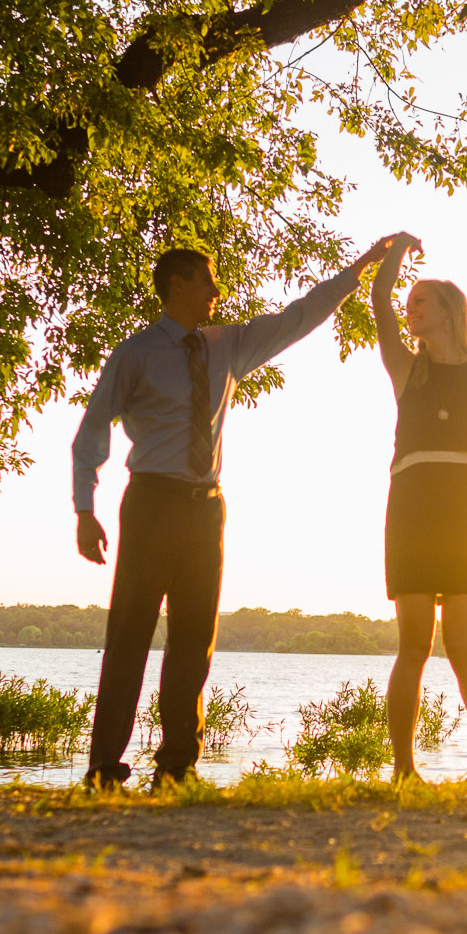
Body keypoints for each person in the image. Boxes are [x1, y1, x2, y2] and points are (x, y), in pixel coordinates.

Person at [73, 239, 395, 789]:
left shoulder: (226, 346)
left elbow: (301, 316)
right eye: (207, 280)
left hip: (207, 509)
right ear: (177, 284)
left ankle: (176, 768)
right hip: (151, 502)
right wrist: (85, 509)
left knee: (194, 639)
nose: (217, 292)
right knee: (129, 635)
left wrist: (361, 268)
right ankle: (105, 767)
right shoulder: (136, 354)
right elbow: (91, 432)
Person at [370, 234, 467, 781]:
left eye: (420, 301)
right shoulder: (405, 368)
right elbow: (377, 301)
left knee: (462, 642)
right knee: (413, 641)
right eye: (408, 301)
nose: (409, 309)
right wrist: (392, 255)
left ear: (449, 312)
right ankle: (404, 769)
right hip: (412, 507)